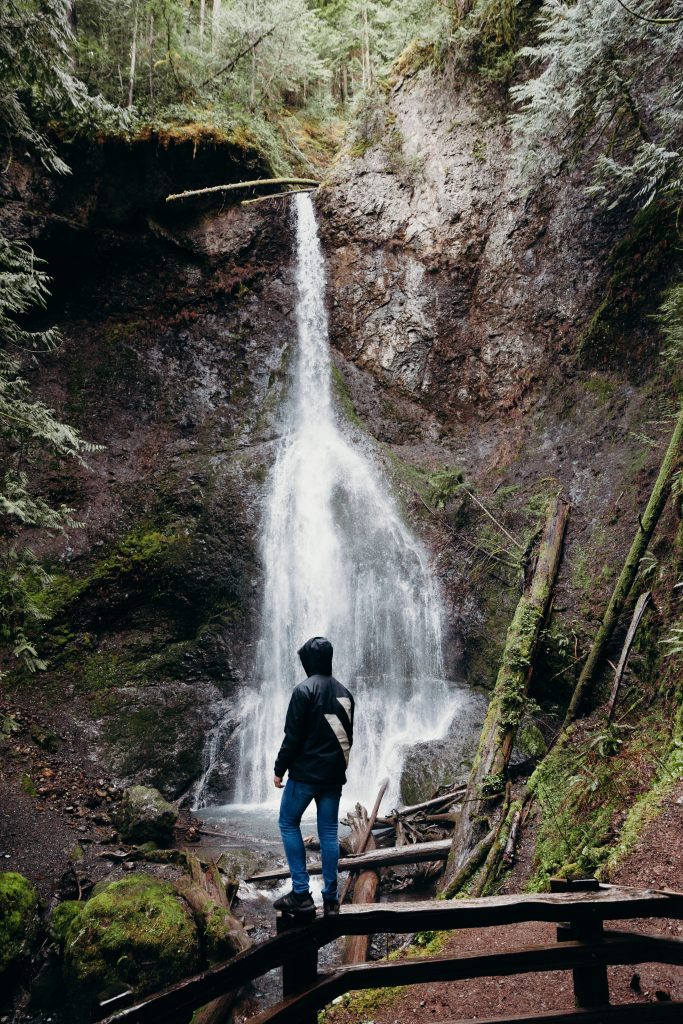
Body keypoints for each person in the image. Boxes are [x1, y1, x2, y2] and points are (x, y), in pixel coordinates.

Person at [272, 636, 354, 916]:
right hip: (333, 777)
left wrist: (279, 769)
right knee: (329, 833)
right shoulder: (346, 693)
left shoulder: (303, 690)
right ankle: (331, 901)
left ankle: (301, 894)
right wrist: (339, 770)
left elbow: (292, 737)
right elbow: (348, 739)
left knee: (287, 822)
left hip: (305, 776)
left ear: (308, 661)